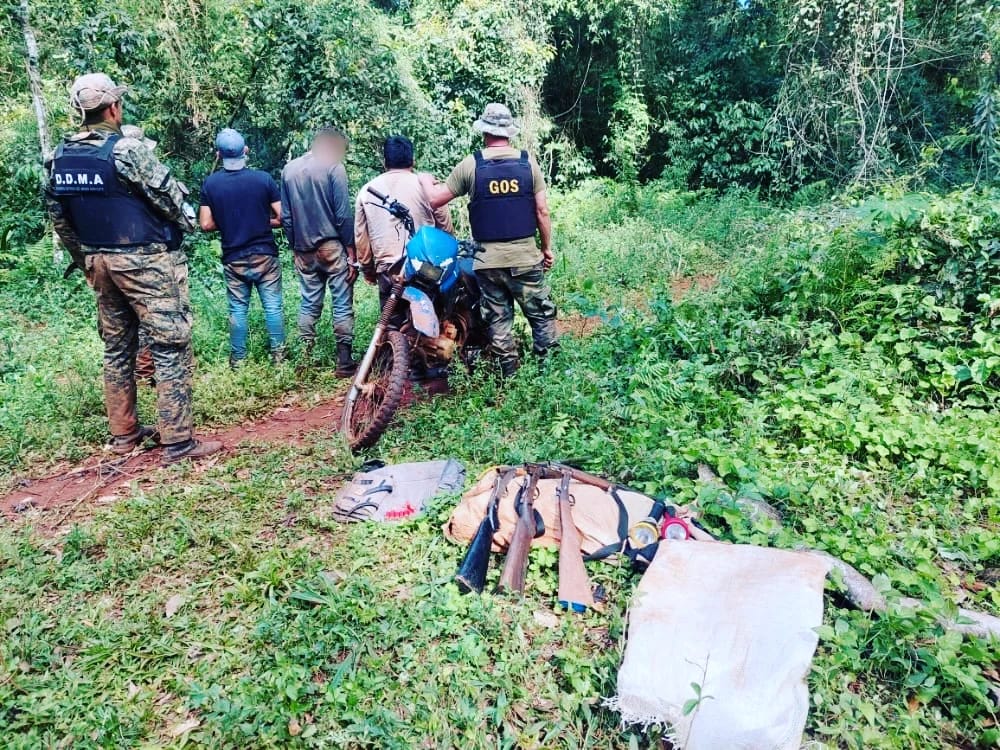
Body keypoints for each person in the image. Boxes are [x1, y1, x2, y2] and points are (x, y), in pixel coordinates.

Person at [45, 73, 222, 461]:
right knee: (170, 344)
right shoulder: (127, 150)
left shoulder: (58, 156)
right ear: (113, 108)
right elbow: (171, 201)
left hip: (98, 260)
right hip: (144, 262)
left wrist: (86, 261)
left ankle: (124, 435)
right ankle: (178, 441)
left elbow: (59, 218)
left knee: (117, 349)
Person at [419, 103, 557, 377]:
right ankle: (549, 374)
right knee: (541, 315)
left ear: (484, 131)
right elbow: (542, 211)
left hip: (487, 263)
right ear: (509, 132)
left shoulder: (472, 164)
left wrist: (424, 180)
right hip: (525, 259)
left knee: (498, 321)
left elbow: (435, 200)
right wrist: (546, 248)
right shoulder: (528, 163)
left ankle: (510, 375)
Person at [199, 128, 287, 367]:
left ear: (219, 154)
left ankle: (238, 361)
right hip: (265, 255)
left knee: (237, 309)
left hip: (233, 257)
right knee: (273, 307)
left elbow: (205, 224)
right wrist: (261, 220)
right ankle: (279, 358)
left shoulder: (211, 184)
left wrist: (230, 222)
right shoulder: (263, 179)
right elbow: (282, 217)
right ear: (245, 150)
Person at [280, 127, 358, 376]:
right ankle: (344, 362)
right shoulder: (334, 167)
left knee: (309, 303)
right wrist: (351, 249)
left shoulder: (289, 170)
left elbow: (287, 217)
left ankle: (305, 358)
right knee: (342, 302)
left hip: (303, 247)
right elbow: (343, 214)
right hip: (332, 246)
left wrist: (294, 246)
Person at [355, 135, 454, 312]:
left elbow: (361, 239)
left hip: (387, 269)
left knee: (391, 320)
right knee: (433, 317)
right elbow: (446, 229)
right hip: (426, 267)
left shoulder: (367, 191)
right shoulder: (428, 188)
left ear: (385, 162)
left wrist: (368, 270)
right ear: (413, 161)